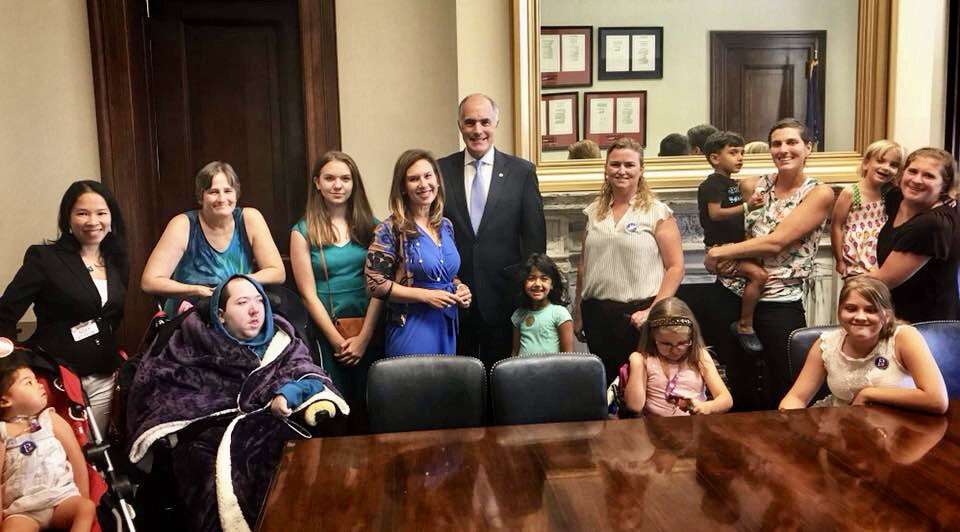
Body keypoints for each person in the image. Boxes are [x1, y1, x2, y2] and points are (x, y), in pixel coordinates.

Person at [127, 275, 348, 531]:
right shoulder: (191, 347)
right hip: (205, 440)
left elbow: (310, 375)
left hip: (275, 429)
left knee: (303, 478)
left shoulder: (282, 341)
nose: (255, 310)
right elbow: (163, 393)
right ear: (221, 315)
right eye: (242, 303)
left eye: (259, 302)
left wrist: (288, 393)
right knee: (211, 485)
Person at [704, 118, 834, 409]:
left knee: (784, 382)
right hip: (730, 295)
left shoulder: (819, 193)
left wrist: (724, 253)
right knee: (735, 382)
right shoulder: (750, 185)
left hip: (780, 301)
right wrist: (713, 255)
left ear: (808, 148)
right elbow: (724, 225)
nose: (783, 149)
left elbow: (777, 242)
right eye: (777, 143)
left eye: (792, 142)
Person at [0, 181, 128, 432]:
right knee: (60, 449)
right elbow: (5, 313)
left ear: (112, 217)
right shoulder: (45, 259)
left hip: (103, 372)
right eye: (82, 213)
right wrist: (14, 365)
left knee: (96, 447)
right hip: (57, 374)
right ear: (68, 218)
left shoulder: (117, 261)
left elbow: (111, 317)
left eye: (101, 213)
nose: (93, 221)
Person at [438, 93, 546, 369]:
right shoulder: (439, 171)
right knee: (458, 381)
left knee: (504, 381)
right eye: (469, 122)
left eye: (485, 122)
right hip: (453, 297)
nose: (477, 130)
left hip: (505, 298)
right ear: (459, 125)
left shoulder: (521, 172)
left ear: (496, 123)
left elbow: (534, 239)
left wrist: (533, 294)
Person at [574, 137, 685, 385]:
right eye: (614, 164)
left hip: (639, 316)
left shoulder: (658, 212)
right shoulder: (593, 212)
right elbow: (584, 264)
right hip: (597, 314)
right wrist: (578, 310)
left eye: (629, 165)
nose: (621, 171)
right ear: (606, 168)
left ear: (641, 169)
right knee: (607, 386)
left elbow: (675, 268)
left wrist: (652, 310)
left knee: (640, 386)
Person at [290, 151, 383, 418]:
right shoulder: (302, 231)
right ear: (317, 183)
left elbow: (381, 286)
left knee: (372, 409)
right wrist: (338, 342)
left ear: (354, 184)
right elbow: (308, 295)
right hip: (327, 335)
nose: (337, 185)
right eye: (330, 178)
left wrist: (363, 338)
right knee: (336, 412)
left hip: (371, 330)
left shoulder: (374, 228)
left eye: (345, 178)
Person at [779, 276, 948, 414]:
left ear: (887, 315)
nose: (860, 317)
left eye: (871, 310)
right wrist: (788, 424)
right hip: (837, 428)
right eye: (851, 308)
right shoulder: (826, 344)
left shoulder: (904, 337)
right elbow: (797, 398)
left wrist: (869, 394)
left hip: (897, 430)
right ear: (839, 313)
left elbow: (937, 400)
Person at [141, 161, 284, 315]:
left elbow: (277, 272)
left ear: (236, 194)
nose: (222, 198)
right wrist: (196, 290)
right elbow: (149, 282)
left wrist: (233, 283)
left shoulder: (250, 218)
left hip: (238, 314)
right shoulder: (182, 225)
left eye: (228, 191)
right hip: (190, 314)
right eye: (213, 192)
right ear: (201, 197)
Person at [365, 150, 472, 356]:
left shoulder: (446, 225)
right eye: (414, 179)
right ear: (403, 188)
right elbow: (374, 283)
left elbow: (446, 273)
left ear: (438, 180)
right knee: (415, 386)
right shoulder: (390, 229)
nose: (423, 184)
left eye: (428, 176)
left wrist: (460, 288)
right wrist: (424, 296)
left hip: (446, 323)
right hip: (410, 326)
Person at [0, 351, 96, 532]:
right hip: (23, 509)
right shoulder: (3, 433)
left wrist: (82, 497)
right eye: (29, 382)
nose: (40, 385)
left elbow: (77, 460)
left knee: (86, 508)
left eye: (37, 380)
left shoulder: (50, 420)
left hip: (62, 498)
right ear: (4, 400)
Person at [697, 131, 768, 352]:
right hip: (721, 249)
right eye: (733, 152)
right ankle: (745, 325)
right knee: (759, 276)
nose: (740, 157)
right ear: (715, 158)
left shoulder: (730, 183)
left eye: (742, 153)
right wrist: (749, 206)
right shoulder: (711, 184)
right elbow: (716, 213)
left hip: (737, 246)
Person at [870, 148, 960, 322]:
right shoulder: (896, 199)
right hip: (895, 314)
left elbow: (883, 281)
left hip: (927, 326)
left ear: (944, 186)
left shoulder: (933, 224)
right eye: (912, 171)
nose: (917, 180)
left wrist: (854, 279)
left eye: (929, 176)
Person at [622, 297, 732, 416]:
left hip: (693, 427)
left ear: (692, 338)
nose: (674, 351)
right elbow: (635, 406)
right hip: (655, 429)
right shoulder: (645, 360)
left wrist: (706, 407)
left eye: (682, 343)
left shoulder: (699, 355)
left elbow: (726, 400)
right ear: (652, 338)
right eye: (666, 344)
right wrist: (636, 363)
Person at [831, 140, 904, 278]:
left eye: (893, 165)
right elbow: (837, 226)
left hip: (880, 253)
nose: (886, 167)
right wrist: (839, 260)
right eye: (881, 161)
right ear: (866, 163)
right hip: (856, 256)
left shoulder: (888, 193)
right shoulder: (851, 192)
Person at [510, 253, 573, 355]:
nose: (537, 284)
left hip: (552, 370)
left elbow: (568, 357)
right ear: (524, 283)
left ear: (552, 284)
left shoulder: (560, 314)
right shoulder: (518, 315)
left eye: (544, 279)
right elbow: (515, 352)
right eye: (531, 278)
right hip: (523, 370)